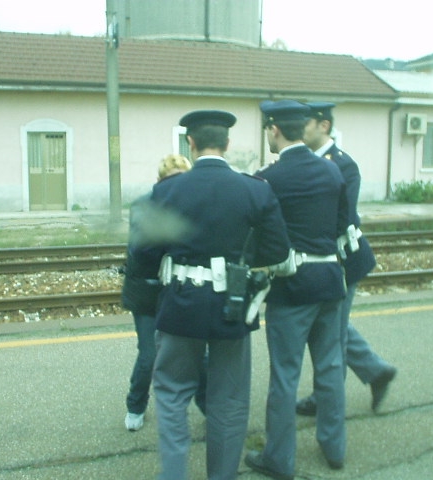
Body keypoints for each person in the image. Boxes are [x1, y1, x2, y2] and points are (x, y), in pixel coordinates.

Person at [133, 110, 294, 480]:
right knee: (230, 401)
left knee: (172, 394)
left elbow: (142, 259)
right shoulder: (255, 189)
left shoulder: (167, 190)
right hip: (232, 308)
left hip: (180, 306)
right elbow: (277, 252)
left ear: (190, 142)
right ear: (228, 144)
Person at [244, 100, 349, 478]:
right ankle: (335, 448)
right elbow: (342, 226)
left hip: (291, 290)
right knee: (331, 367)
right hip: (330, 282)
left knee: (285, 378)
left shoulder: (268, 178)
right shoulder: (332, 171)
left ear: (274, 130)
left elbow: (257, 238)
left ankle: (279, 459)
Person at [297, 102, 397, 416]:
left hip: (342, 262)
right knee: (332, 327)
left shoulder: (343, 164)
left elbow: (344, 219)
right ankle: (376, 370)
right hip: (323, 262)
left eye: (307, 122)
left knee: (332, 335)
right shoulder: (305, 160)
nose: (301, 128)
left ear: (323, 125)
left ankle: (327, 403)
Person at [121, 154, 207, 432]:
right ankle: (136, 405)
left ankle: (208, 407)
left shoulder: (194, 206)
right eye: (171, 180)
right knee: (149, 355)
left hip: (179, 291)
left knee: (197, 355)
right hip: (147, 293)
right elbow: (141, 251)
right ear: (159, 182)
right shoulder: (144, 205)